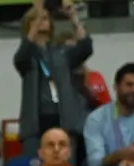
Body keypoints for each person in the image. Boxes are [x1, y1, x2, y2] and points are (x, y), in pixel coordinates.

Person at [16, 0, 93, 155]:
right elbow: (21, 57)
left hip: (65, 122)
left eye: (45, 18)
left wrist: (73, 16)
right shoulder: (27, 54)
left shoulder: (62, 52)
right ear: (28, 25)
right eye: (36, 19)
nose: (41, 21)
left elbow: (86, 48)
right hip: (35, 127)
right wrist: (36, 22)